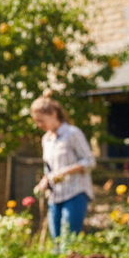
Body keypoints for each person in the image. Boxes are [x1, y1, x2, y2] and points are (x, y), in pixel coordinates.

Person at [32, 93, 96, 241]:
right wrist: (45, 180)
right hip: (55, 196)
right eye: (36, 121)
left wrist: (64, 172)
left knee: (68, 241)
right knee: (56, 242)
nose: (39, 125)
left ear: (53, 114)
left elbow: (90, 161)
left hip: (75, 192)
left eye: (41, 120)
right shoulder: (46, 139)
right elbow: (49, 168)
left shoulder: (72, 133)